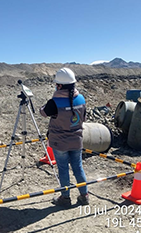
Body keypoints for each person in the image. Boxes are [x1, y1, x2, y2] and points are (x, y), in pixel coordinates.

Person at [39, 67, 89, 207]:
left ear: (60, 85)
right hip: (77, 141)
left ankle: (65, 198)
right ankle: (84, 196)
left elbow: (43, 113)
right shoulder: (81, 98)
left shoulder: (54, 102)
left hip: (59, 143)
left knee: (63, 169)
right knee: (78, 167)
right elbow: (84, 118)